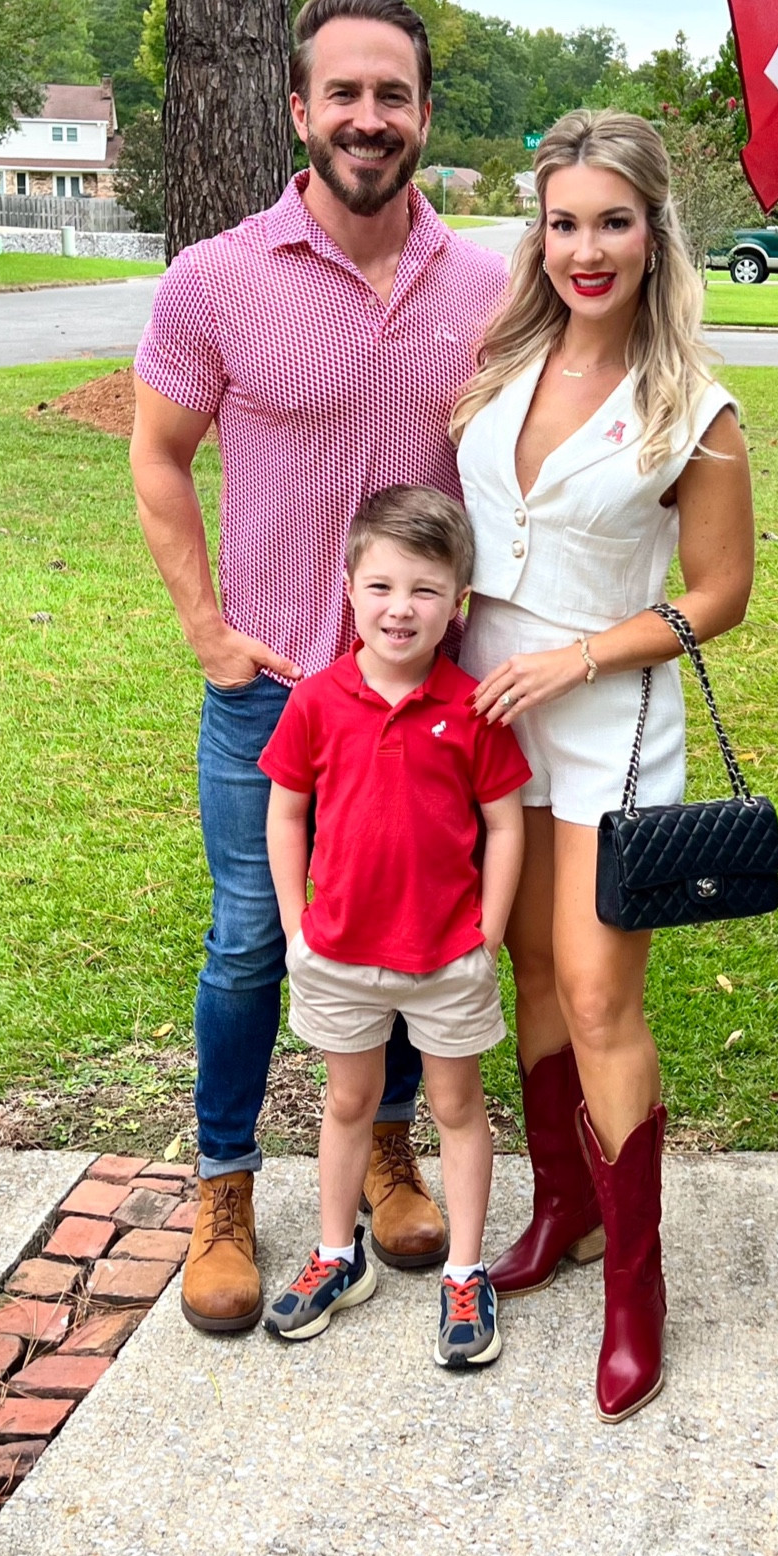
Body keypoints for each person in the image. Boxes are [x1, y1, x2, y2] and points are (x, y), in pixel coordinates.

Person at [129, 0, 508, 1334]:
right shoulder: (216, 278)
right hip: (277, 698)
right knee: (251, 944)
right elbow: (159, 456)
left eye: (392, 94)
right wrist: (208, 633)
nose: (368, 116)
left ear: (424, 116)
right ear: (300, 110)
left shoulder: (490, 286)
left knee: (414, 927)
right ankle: (225, 1190)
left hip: (428, 702)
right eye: (343, 92)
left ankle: (393, 1151)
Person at [451, 109, 755, 1423]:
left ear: (654, 231)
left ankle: (638, 1285)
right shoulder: (499, 367)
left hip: (608, 723)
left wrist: (577, 658)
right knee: (525, 967)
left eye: (612, 222)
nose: (586, 249)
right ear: (539, 232)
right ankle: (562, 1209)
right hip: (490, 715)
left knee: (596, 992)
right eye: (564, 222)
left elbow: (721, 593)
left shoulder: (694, 407)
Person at [258, 487, 531, 1365]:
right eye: (380, 586)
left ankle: (465, 1271)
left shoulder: (472, 707)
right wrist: (296, 925)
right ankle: (337, 1256)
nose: (400, 608)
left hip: (446, 954)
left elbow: (504, 825)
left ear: (458, 603)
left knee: (456, 1105)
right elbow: (286, 813)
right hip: (339, 950)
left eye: (424, 589)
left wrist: (488, 932)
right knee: (348, 1102)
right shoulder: (317, 700)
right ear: (348, 590)